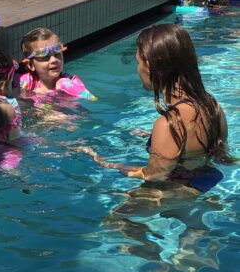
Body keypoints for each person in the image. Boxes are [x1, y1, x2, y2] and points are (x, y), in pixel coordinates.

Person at [74, 24, 232, 194]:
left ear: (149, 65)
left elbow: (153, 175)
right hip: (208, 180)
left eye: (138, 62)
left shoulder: (167, 124)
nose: (137, 69)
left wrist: (101, 160)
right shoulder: (212, 105)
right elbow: (214, 151)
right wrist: (149, 136)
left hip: (174, 190)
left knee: (114, 221)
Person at [19, 27, 97, 100]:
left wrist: (69, 88)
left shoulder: (69, 82)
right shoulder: (28, 82)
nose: (54, 60)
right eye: (45, 57)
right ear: (30, 65)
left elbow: (91, 99)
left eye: (57, 53)